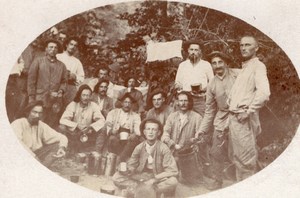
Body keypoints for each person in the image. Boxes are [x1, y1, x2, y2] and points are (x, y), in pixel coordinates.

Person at [227, 35, 270, 181]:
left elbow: (264, 93)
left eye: (247, 45)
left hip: (243, 117)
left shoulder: (258, 66)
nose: (243, 48)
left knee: (246, 161)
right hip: (234, 117)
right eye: (241, 45)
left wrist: (248, 111)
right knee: (237, 159)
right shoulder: (246, 67)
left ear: (256, 48)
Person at [196, 51, 240, 190]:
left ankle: (245, 182)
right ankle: (217, 181)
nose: (217, 65)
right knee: (216, 151)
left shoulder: (238, 74)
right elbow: (209, 111)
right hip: (221, 118)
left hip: (240, 116)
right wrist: (201, 130)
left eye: (220, 62)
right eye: (214, 63)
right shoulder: (211, 84)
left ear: (226, 63)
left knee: (240, 152)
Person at [113, 119, 178, 198]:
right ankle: (138, 186)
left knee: (173, 181)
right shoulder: (139, 147)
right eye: (148, 129)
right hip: (140, 176)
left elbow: (172, 170)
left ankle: (147, 189)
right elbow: (132, 164)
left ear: (159, 133)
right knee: (116, 177)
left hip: (157, 177)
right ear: (144, 132)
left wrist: (154, 180)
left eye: (154, 130)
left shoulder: (164, 148)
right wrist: (128, 170)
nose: (150, 132)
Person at [11, 100, 68, 168]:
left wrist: (62, 148)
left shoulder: (41, 125)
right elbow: (18, 144)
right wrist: (33, 157)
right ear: (27, 112)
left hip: (38, 154)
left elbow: (62, 137)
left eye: (40, 113)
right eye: (34, 112)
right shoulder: (18, 123)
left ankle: (40, 168)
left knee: (57, 146)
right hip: (22, 155)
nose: (37, 115)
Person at [59, 84, 105, 153]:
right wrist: (76, 125)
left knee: (103, 128)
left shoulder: (93, 105)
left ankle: (96, 151)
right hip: (74, 132)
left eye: (88, 95)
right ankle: (64, 148)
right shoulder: (73, 104)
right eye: (83, 95)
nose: (86, 98)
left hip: (87, 132)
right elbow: (62, 120)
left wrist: (91, 127)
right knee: (61, 127)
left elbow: (102, 120)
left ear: (90, 97)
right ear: (79, 96)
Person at [27, 39, 68, 116]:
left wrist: (60, 91)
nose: (53, 49)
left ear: (58, 50)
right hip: (39, 97)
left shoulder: (62, 66)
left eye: (55, 48)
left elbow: (64, 82)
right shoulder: (38, 61)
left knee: (50, 122)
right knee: (37, 119)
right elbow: (31, 81)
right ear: (46, 49)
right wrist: (31, 97)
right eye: (51, 47)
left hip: (54, 100)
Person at [175, 40, 214, 116]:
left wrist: (204, 89)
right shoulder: (182, 65)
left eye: (196, 50)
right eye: (191, 49)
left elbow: (213, 83)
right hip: (185, 99)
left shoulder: (206, 65)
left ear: (200, 51)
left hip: (200, 99)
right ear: (188, 51)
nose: (193, 52)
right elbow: (177, 83)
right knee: (185, 120)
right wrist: (178, 86)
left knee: (201, 120)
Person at [100, 93, 141, 163]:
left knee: (135, 140)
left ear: (131, 104)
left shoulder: (135, 116)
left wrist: (135, 134)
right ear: (121, 103)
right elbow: (107, 124)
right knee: (112, 139)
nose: (127, 105)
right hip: (116, 136)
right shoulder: (113, 113)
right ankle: (122, 159)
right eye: (125, 102)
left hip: (128, 139)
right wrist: (111, 131)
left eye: (129, 103)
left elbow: (138, 129)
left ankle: (119, 160)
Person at [56, 37, 85, 105]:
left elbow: (82, 77)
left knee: (68, 108)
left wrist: (74, 77)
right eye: (71, 44)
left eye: (75, 45)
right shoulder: (58, 56)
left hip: (70, 88)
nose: (73, 47)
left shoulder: (77, 61)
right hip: (57, 85)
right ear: (66, 45)